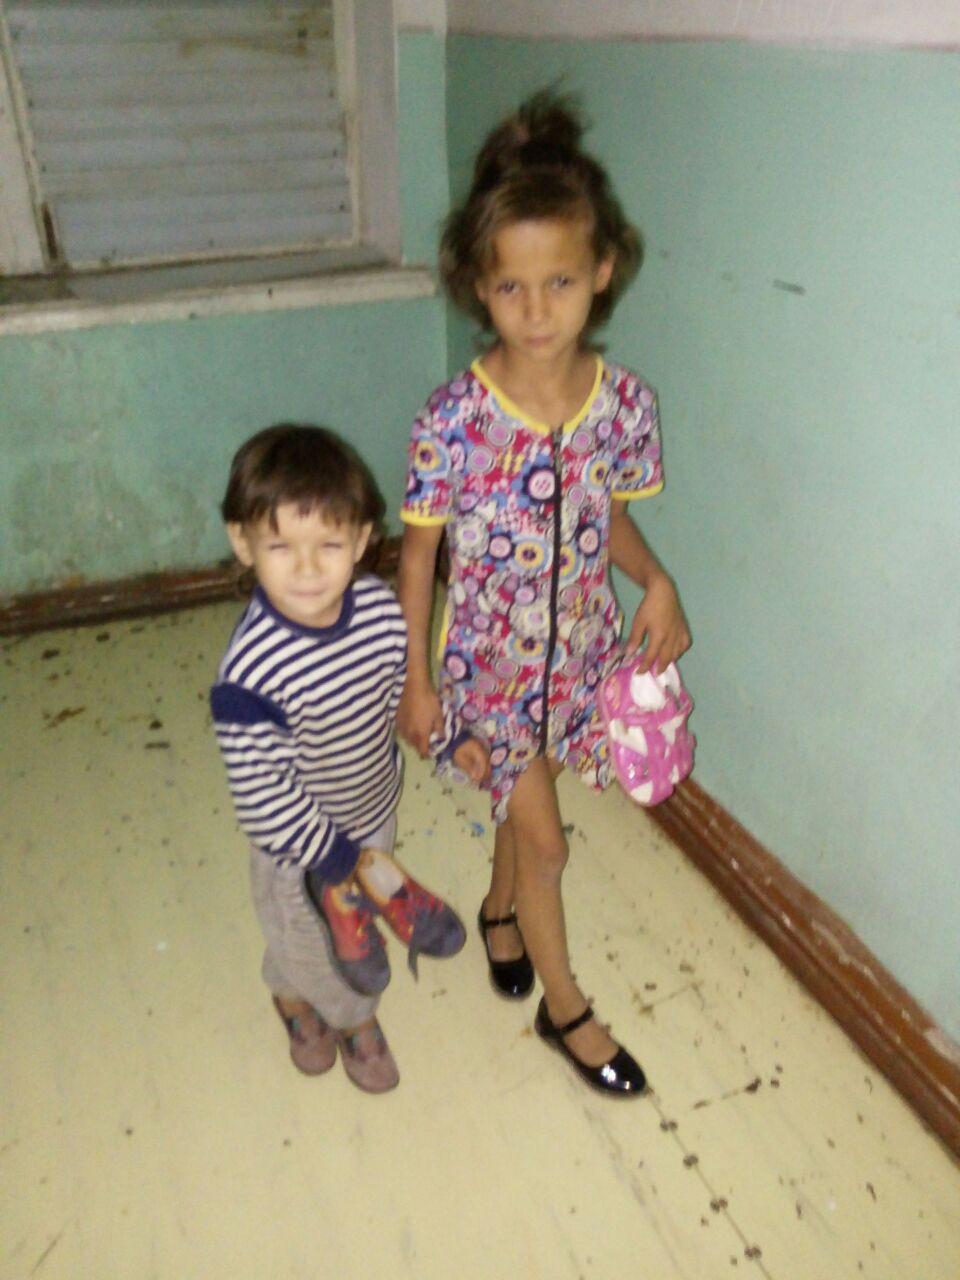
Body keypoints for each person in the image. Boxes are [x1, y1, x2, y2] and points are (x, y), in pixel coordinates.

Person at [397, 93, 691, 1097]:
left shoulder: (625, 405)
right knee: (550, 846)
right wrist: (415, 679)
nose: (535, 310)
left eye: (558, 280)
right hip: (487, 667)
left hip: (579, 655)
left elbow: (605, 517)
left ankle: (499, 911)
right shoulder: (452, 420)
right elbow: (418, 557)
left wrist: (656, 581)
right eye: (510, 287)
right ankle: (565, 1011)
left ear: (601, 271)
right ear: (479, 287)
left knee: (525, 821)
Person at [211, 424, 487, 1093]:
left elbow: (399, 693)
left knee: (322, 937)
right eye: (281, 546)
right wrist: (337, 860)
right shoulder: (248, 677)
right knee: (309, 936)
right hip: (296, 845)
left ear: (362, 541)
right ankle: (350, 1017)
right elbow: (265, 800)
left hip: (371, 808)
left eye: (329, 546)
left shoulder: (381, 614)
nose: (308, 569)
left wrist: (445, 738)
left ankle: (291, 989)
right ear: (243, 543)